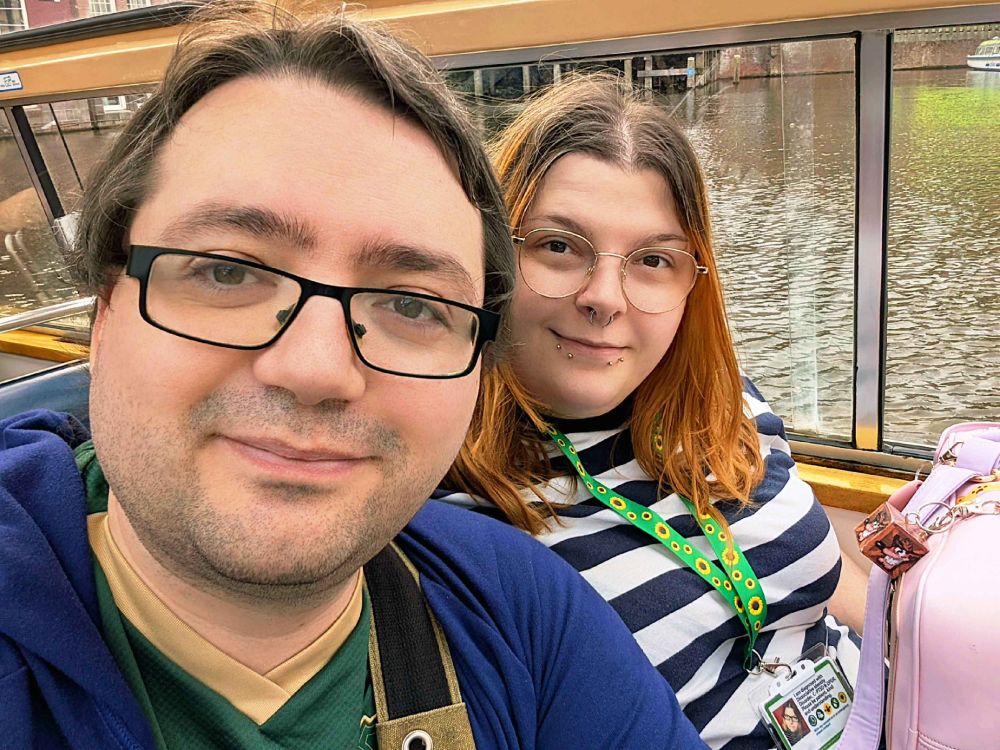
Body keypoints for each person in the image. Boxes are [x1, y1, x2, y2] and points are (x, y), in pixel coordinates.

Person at [0, 9, 706, 749]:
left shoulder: (520, 607)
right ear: (105, 309)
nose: (316, 369)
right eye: (228, 270)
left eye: (412, 304)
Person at [437, 75, 864, 749]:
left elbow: (817, 584)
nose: (604, 297)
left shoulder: (721, 402)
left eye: (653, 260)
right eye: (558, 245)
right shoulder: (450, 518)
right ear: (489, 256)